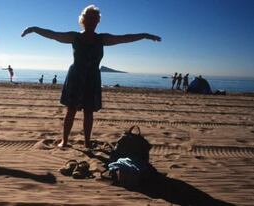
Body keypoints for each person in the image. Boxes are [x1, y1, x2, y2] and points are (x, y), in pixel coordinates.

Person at [22, 5, 161, 148]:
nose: (92, 21)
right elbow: (53, 34)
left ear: (97, 21)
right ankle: (64, 140)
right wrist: (34, 29)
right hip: (76, 76)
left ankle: (87, 142)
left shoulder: (102, 39)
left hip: (92, 77)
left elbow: (124, 38)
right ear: (83, 19)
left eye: (95, 19)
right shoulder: (75, 36)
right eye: (89, 18)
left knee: (89, 111)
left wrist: (145, 35)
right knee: (71, 110)